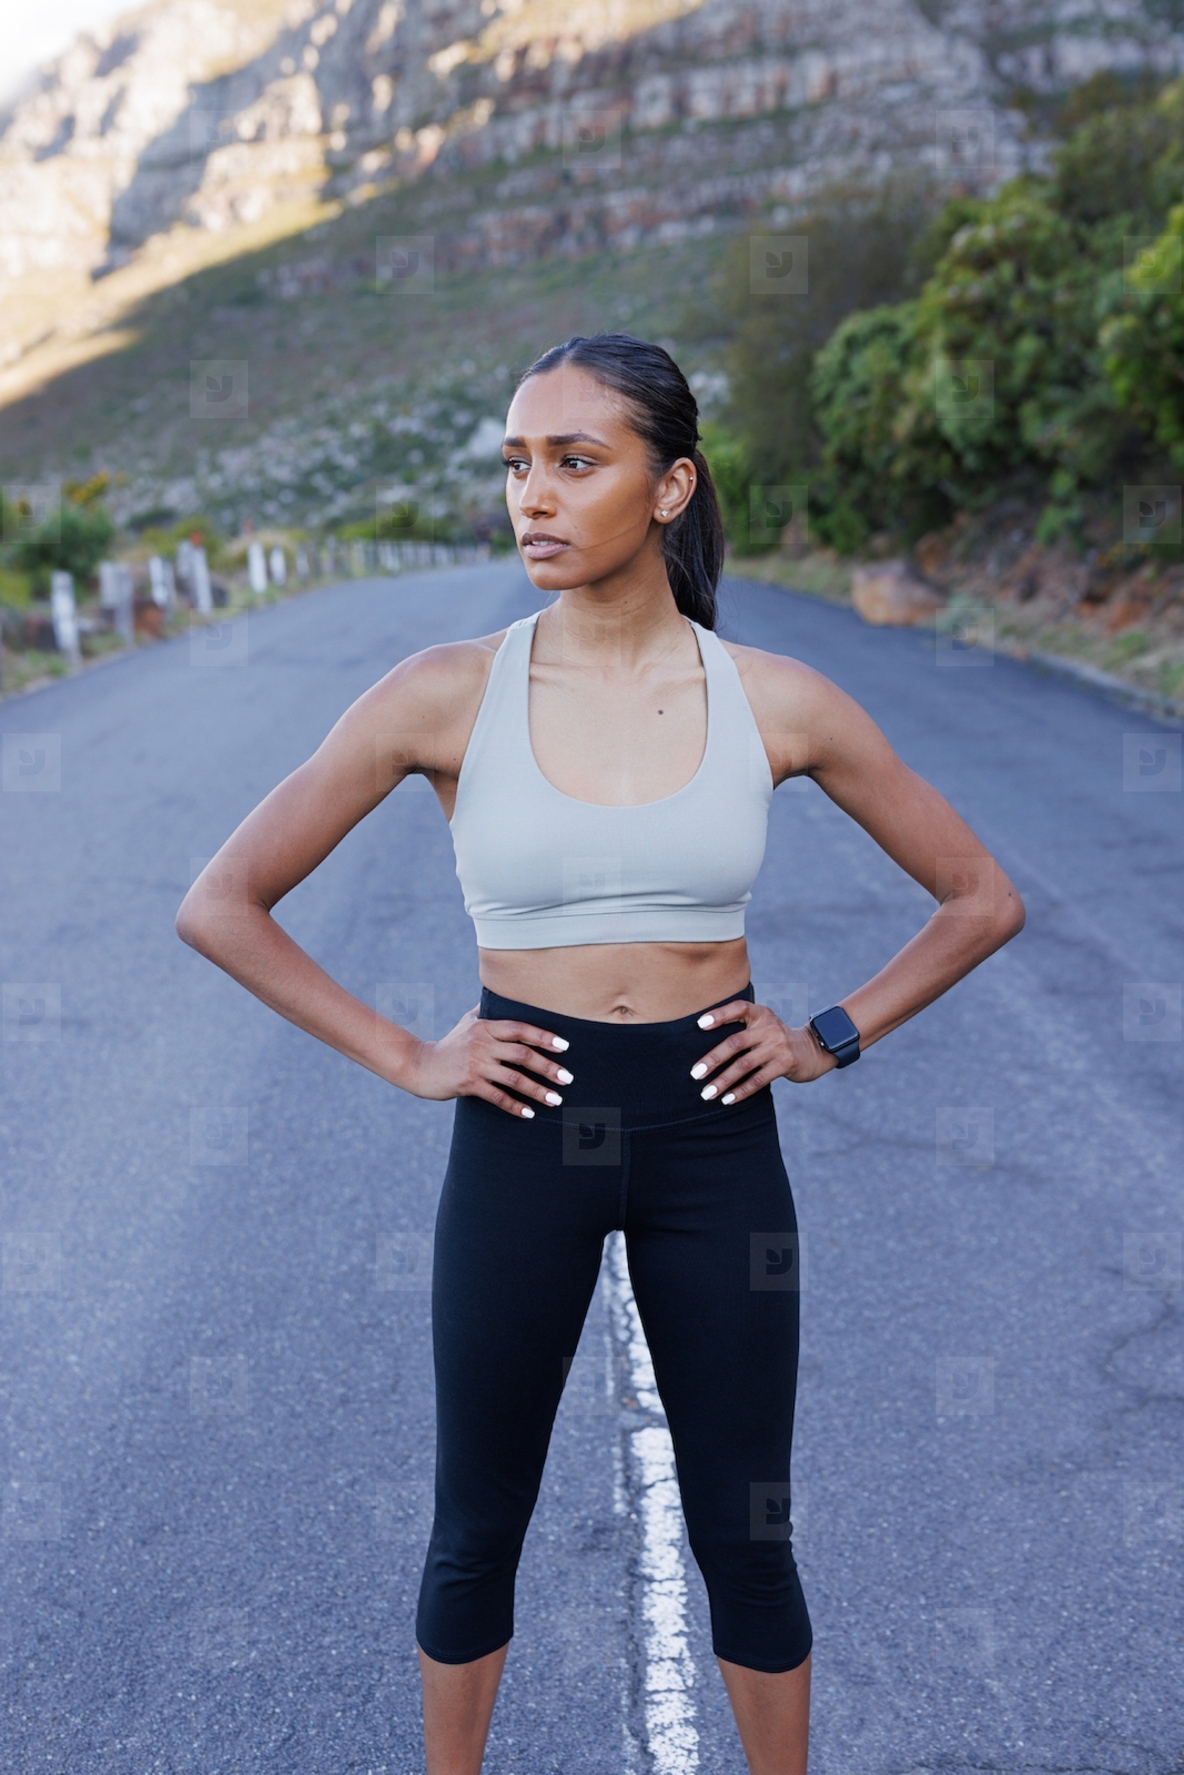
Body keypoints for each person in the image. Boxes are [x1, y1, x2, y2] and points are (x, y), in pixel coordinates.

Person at [176, 333, 1025, 1774]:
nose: (535, 497)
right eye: (519, 464)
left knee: (748, 1532)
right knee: (473, 1530)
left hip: (714, 1133)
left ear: (672, 484)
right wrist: (407, 1056)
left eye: (577, 462)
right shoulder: (444, 692)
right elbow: (221, 904)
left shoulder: (777, 697)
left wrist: (827, 1036)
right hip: (523, 1132)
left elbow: (981, 898)